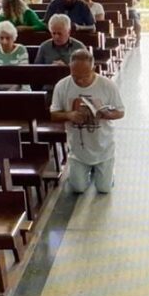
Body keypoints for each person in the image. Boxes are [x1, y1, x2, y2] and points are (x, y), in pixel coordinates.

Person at [50, 49, 125, 194]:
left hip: (103, 147)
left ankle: (106, 174)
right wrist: (69, 115)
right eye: (75, 76)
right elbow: (53, 114)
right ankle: (85, 172)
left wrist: (104, 114)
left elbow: (120, 112)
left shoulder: (107, 85)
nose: (79, 81)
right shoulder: (62, 85)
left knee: (104, 189)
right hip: (78, 149)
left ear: (94, 69)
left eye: (84, 76)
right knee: (78, 188)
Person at [0, 21, 29, 91]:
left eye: (8, 38)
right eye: (1, 38)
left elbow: (24, 74)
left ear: (13, 37)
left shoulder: (21, 50)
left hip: (18, 86)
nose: (4, 42)